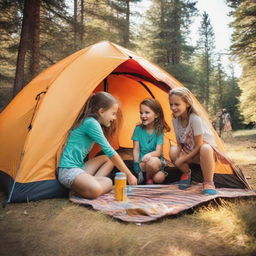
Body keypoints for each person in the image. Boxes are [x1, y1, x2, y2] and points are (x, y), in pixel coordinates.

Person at [58, 92, 137, 199]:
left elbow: (109, 156)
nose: (114, 118)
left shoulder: (93, 122)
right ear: (101, 111)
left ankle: (86, 185)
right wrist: (129, 174)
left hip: (80, 168)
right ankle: (86, 188)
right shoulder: (91, 123)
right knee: (102, 186)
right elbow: (110, 151)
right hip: (68, 170)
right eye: (113, 113)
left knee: (108, 167)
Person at [162, 87, 217, 195]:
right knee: (173, 150)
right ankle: (186, 173)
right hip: (190, 152)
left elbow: (199, 145)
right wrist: (179, 155)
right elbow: (179, 145)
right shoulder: (175, 120)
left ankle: (208, 182)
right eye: (171, 104)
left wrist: (181, 160)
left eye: (177, 104)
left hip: (204, 154)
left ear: (187, 104)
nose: (173, 107)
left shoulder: (195, 119)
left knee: (205, 148)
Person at [132, 98, 170, 185]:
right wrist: (136, 163)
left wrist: (149, 155)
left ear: (156, 115)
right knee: (146, 167)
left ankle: (148, 178)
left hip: (155, 163)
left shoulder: (158, 131)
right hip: (142, 163)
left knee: (159, 178)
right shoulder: (138, 130)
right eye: (141, 113)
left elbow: (158, 152)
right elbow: (136, 149)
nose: (143, 115)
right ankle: (148, 178)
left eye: (147, 112)